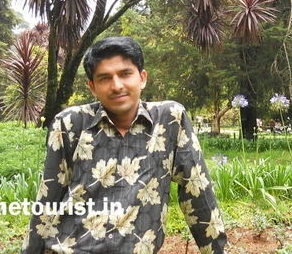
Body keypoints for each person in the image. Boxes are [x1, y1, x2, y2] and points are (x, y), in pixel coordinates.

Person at [21, 36, 226, 253]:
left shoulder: (169, 120)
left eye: (125, 74)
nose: (117, 86)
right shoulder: (71, 124)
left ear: (142, 78)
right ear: (92, 87)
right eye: (105, 78)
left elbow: (198, 193)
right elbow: (47, 200)